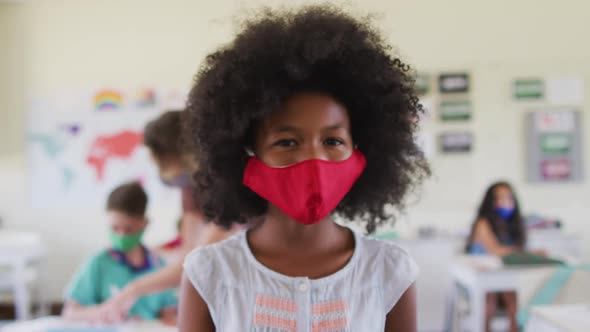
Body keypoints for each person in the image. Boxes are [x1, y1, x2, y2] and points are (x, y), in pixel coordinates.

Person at [179, 5, 430, 331]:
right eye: (287, 142)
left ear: (361, 150)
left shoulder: (389, 272)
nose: (315, 160)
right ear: (247, 156)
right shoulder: (209, 273)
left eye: (333, 141)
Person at [98, 110, 237, 322]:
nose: (157, 168)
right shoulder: (188, 190)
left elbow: (193, 263)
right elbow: (188, 255)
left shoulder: (224, 188)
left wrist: (132, 290)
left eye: (158, 159)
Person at [62, 182, 177, 325]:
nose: (121, 235)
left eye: (129, 229)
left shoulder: (159, 266)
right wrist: (102, 312)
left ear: (145, 223)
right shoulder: (98, 263)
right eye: (115, 228)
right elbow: (70, 312)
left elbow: (169, 315)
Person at [465, 181, 531, 332]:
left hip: (504, 278)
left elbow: (512, 251)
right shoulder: (482, 223)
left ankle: (514, 328)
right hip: (481, 280)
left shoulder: (514, 226)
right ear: (491, 202)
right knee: (489, 297)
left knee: (514, 294)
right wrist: (524, 253)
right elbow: (495, 250)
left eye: (508, 198)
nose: (505, 202)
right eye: (499, 198)